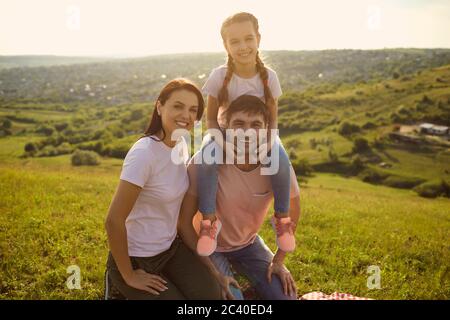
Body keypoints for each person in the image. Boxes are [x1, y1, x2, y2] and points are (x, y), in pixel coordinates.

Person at [105, 79, 221, 300]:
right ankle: (118, 284)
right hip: (136, 258)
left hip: (171, 250)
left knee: (211, 295)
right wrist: (129, 275)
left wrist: (214, 269)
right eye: (178, 106)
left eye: (193, 110)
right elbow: (113, 221)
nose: (186, 115)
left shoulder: (182, 144)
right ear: (160, 107)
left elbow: (181, 220)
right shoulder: (144, 153)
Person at [178, 95, 301, 300]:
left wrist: (278, 260)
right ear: (226, 126)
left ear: (266, 129)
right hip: (209, 248)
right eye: (239, 124)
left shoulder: (277, 165)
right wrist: (213, 271)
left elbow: (293, 211)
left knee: (286, 297)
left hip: (249, 244)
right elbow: (183, 223)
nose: (247, 132)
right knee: (232, 300)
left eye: (255, 125)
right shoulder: (204, 161)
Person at [196, 12, 295, 257]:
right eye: (235, 41)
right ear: (226, 45)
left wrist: (267, 146)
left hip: (262, 135)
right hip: (223, 134)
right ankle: (208, 222)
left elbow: (273, 119)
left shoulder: (269, 77)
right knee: (207, 161)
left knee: (281, 163)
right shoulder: (219, 76)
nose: (243, 46)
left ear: (258, 39)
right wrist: (224, 146)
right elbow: (210, 119)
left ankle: (282, 219)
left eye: (248, 39)